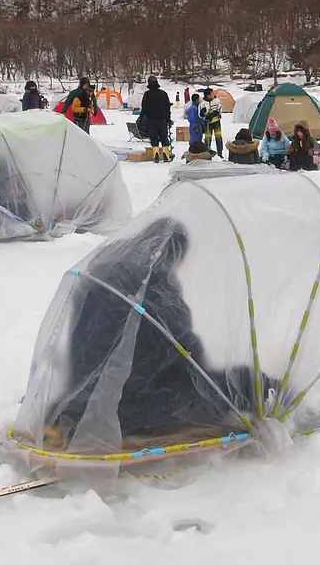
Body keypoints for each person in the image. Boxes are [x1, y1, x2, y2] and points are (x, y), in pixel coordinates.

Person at [47, 219, 273, 446]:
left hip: (83, 395)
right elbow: (181, 343)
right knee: (237, 384)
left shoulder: (104, 265)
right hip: (130, 407)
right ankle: (279, 398)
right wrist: (200, 369)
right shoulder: (153, 279)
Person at [140, 76, 173, 163]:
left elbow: (144, 108)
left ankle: (156, 155)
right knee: (164, 138)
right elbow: (167, 107)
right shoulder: (163, 94)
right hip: (162, 119)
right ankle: (166, 155)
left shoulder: (147, 94)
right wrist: (168, 119)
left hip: (151, 120)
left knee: (154, 138)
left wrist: (142, 118)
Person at [201, 87, 224, 158]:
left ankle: (220, 153)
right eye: (211, 94)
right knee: (208, 138)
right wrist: (202, 113)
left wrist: (214, 114)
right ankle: (207, 152)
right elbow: (200, 114)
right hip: (207, 123)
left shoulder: (217, 101)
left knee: (218, 137)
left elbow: (220, 109)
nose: (213, 95)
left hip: (216, 122)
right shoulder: (203, 103)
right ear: (207, 95)